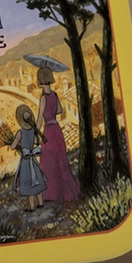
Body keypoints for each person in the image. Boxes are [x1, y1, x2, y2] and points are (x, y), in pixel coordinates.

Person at [36, 66, 81, 201]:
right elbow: (60, 110)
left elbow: (39, 118)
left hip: (49, 131)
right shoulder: (54, 95)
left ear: (41, 81)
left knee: (48, 161)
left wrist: (35, 133)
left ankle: (52, 194)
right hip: (57, 129)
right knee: (60, 161)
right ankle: (64, 192)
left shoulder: (43, 98)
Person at [10, 105, 48, 211]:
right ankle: (41, 203)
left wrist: (14, 143)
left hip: (26, 161)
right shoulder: (33, 131)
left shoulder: (20, 132)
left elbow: (13, 146)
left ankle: (32, 207)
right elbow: (36, 142)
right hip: (33, 160)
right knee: (37, 180)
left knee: (29, 183)